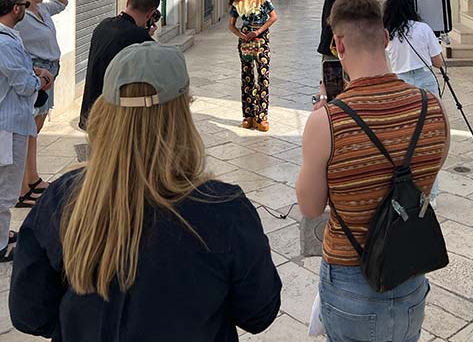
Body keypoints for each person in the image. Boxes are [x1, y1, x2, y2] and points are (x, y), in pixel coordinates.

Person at [10, 42, 281, 340]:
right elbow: (259, 313)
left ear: (105, 111)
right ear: (182, 112)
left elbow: (28, 314)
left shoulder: (62, 198)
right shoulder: (223, 208)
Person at [296, 0, 449, 342]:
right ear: (384, 38)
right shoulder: (432, 108)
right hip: (410, 273)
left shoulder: (327, 122)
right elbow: (426, 178)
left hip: (350, 277)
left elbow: (309, 207)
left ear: (338, 46)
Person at [0, 0, 53, 262]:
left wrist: (33, 71)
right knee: (6, 188)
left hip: (11, 123)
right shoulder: (4, 43)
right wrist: (41, 81)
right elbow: (21, 84)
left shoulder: (9, 38)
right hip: (8, 127)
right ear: (17, 9)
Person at [15, 0, 68, 207]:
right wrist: (34, 70)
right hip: (38, 71)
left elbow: (63, 3)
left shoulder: (42, 10)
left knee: (37, 126)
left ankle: (33, 178)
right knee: (29, 128)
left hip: (51, 71)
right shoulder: (21, 16)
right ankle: (22, 187)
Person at [79, 0, 160, 128]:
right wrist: (146, 37)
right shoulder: (139, 38)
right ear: (150, 14)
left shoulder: (103, 25)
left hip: (91, 110)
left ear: (129, 1)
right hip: (114, 116)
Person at [228, 0, 277, 132]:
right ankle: (248, 115)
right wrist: (241, 35)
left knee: (263, 75)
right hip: (245, 43)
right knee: (247, 76)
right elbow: (231, 25)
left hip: (261, 40)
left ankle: (262, 116)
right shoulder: (238, 1)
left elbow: (273, 17)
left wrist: (257, 32)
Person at [383, 0, 444, 96]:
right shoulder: (423, 28)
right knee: (435, 110)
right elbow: (438, 63)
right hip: (425, 77)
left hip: (400, 80)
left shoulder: (386, 34)